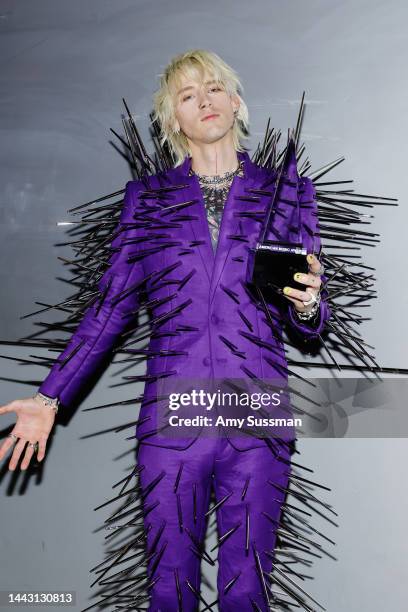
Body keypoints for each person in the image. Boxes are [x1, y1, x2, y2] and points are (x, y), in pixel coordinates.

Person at [0, 50, 330, 610]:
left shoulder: (287, 192)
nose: (204, 99)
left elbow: (311, 317)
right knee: (168, 591)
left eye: (215, 88)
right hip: (172, 425)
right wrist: (50, 397)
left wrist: (307, 305)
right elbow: (110, 307)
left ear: (236, 101)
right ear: (172, 121)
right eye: (187, 94)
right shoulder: (148, 201)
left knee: (247, 593)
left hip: (257, 422)